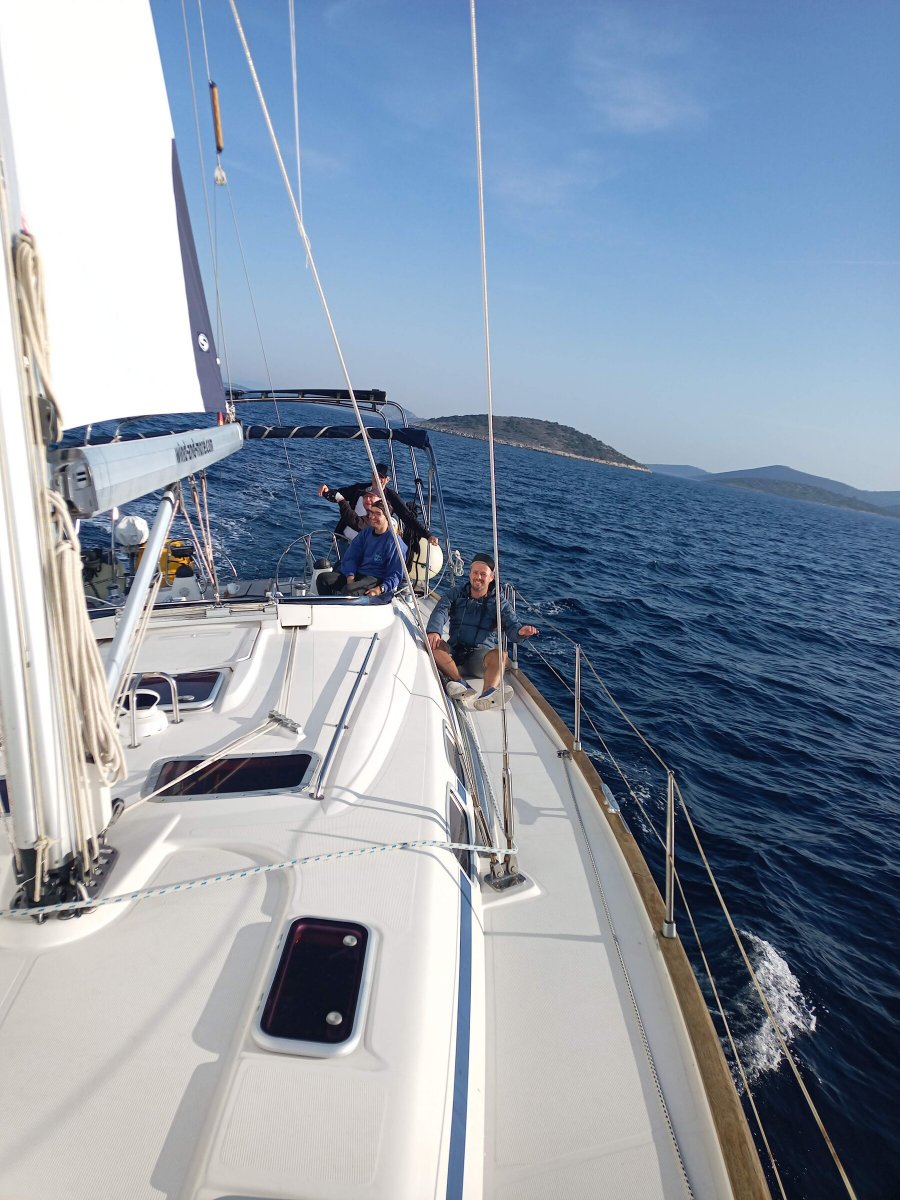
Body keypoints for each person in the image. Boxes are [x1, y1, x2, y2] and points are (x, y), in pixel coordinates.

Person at [426, 553, 538, 710]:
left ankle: (488, 692)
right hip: (453, 654)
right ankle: (460, 683)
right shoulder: (456, 594)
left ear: (491, 577)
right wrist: (435, 631)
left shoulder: (500, 603)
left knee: (501, 654)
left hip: (479, 659)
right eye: (475, 572)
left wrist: (520, 632)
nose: (478, 577)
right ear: (470, 573)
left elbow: (512, 626)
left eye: (483, 574)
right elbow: (441, 610)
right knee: (433, 644)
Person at [318, 461, 438, 547]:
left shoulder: (391, 498)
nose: (377, 478)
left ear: (387, 479)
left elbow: (408, 518)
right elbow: (339, 495)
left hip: (367, 546)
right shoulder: (359, 489)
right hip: (344, 541)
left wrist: (427, 535)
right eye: (375, 474)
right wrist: (326, 491)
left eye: (381, 476)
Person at [316, 501, 407, 598]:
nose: (372, 517)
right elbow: (351, 556)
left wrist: (380, 589)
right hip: (358, 574)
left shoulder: (395, 542)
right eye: (371, 513)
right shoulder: (366, 533)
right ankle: (329, 608)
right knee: (323, 579)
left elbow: (396, 574)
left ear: (387, 517)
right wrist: (350, 576)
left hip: (376, 579)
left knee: (349, 591)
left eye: (378, 514)